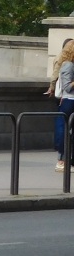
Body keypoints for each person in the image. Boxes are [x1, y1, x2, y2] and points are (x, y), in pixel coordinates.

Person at [53, 40, 74, 172]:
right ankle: (61, 160)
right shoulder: (68, 65)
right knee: (65, 131)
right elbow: (67, 87)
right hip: (69, 101)